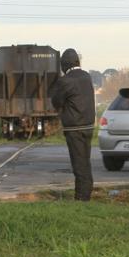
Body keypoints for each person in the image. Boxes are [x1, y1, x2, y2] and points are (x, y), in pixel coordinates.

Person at [50, 48, 96, 201]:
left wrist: (62, 110)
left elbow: (56, 100)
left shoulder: (66, 80)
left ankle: (82, 198)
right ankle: (86, 192)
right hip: (88, 125)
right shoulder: (87, 77)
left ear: (64, 65)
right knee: (85, 161)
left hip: (74, 127)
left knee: (79, 164)